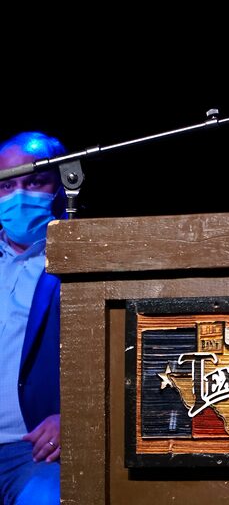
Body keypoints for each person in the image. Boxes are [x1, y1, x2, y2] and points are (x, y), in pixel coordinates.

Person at [0, 131, 65, 505]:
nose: (19, 195)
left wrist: (74, 417)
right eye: (7, 185)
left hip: (39, 453)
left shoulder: (86, 256)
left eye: (34, 181)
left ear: (59, 184)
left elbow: (124, 351)